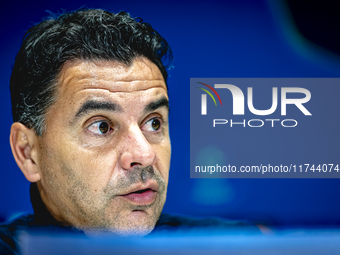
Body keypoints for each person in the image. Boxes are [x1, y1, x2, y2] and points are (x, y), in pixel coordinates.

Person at [0, 8, 258, 254]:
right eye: (102, 127)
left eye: (153, 123)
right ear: (28, 153)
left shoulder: (242, 247)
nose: (144, 154)